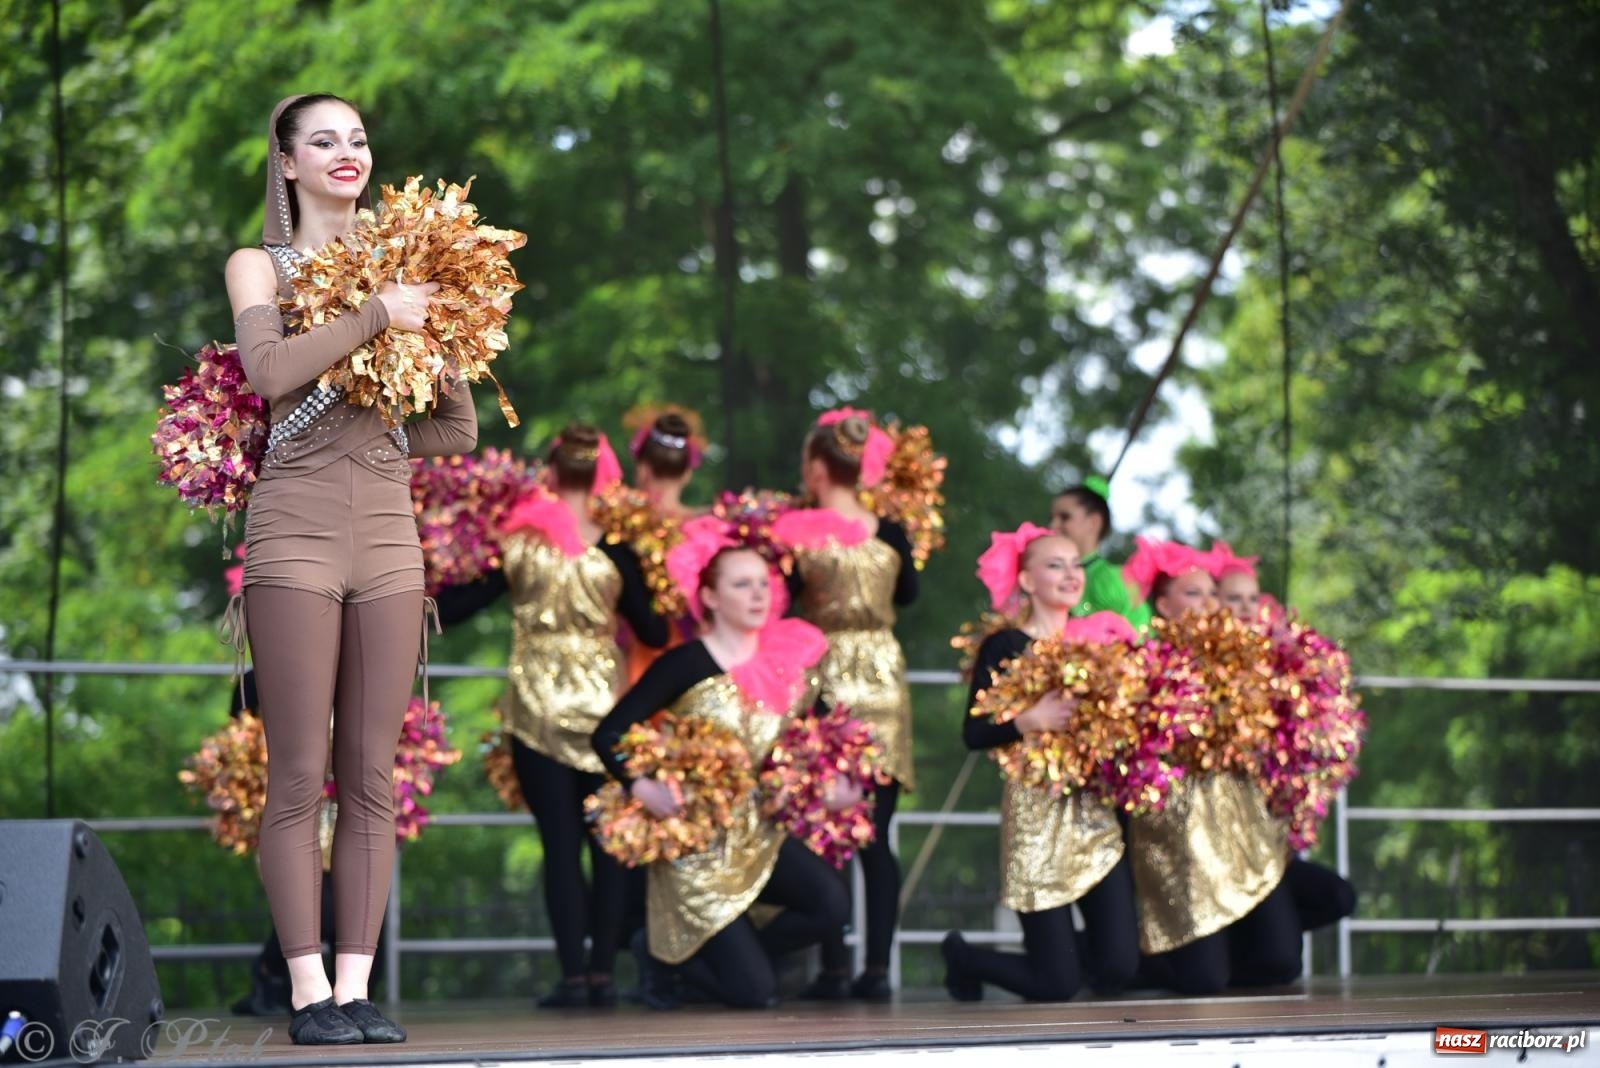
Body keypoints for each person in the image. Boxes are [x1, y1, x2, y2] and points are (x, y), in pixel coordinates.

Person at [225, 93, 477, 1045]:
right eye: (324, 139)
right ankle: (306, 992)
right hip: (292, 528)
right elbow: (266, 373)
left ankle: (357, 987)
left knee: (373, 775)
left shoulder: (410, 266)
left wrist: (384, 431)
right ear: (287, 162)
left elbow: (458, 427)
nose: (348, 152)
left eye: (359, 139)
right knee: (298, 774)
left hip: (388, 537)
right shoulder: (260, 264)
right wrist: (378, 314)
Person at [433, 425, 668, 1008]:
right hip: (607, 712)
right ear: (600, 476)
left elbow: (459, 606)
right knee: (609, 843)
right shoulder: (618, 550)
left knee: (559, 846)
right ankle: (603, 973)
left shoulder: (519, 543)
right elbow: (654, 630)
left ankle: (573, 977)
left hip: (535, 709)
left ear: (551, 472)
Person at [591, 524, 852, 1009]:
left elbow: (821, 734)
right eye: (742, 584)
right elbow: (608, 733)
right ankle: (669, 959)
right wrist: (642, 787)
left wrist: (835, 781)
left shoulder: (787, 663)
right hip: (699, 845)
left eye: (763, 583)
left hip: (760, 831)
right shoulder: (685, 664)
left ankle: (732, 958)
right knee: (756, 994)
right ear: (709, 597)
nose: (758, 594)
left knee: (833, 905)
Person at [941, 525, 1140, 1001]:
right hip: (1037, 814)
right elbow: (974, 733)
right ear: (1027, 581)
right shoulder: (1005, 645)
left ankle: (1060, 963)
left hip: (1094, 811)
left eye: (1075, 565)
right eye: (1055, 565)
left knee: (1119, 966)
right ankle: (966, 959)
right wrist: (1029, 720)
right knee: (1056, 985)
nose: (1071, 574)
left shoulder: (1100, 642)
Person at [775, 409, 917, 1001]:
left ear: (815, 467)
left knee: (823, 824)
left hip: (822, 674)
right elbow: (909, 594)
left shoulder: (794, 530)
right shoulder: (893, 529)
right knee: (875, 834)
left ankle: (834, 967)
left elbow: (779, 600)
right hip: (883, 674)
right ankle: (877, 968)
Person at [1120, 539, 1301, 995]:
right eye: (1193, 593)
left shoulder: (1240, 661)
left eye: (1211, 594)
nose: (1208, 604)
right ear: (1163, 606)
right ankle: (1120, 963)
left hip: (1240, 828)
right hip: (1179, 832)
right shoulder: (1142, 665)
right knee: (1204, 980)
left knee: (1282, 961)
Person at [1048, 477, 1151, 629]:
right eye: (1051, 518)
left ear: (1093, 522)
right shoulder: (1041, 571)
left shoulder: (1116, 581)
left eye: (1065, 517)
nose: (1053, 525)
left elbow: (1137, 636)